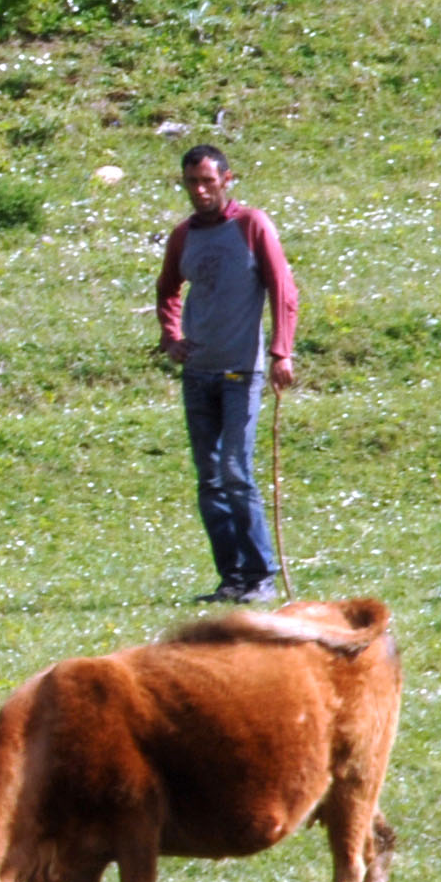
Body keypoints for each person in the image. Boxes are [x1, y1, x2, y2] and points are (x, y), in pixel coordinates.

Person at [153, 144, 299, 603]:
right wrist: (172, 337)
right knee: (209, 478)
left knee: (237, 470)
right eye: (191, 182)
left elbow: (282, 288)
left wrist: (281, 353)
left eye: (207, 182)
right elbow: (167, 289)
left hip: (241, 371)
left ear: (227, 180)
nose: (199, 190)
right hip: (198, 372)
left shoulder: (252, 226)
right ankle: (231, 578)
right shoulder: (184, 235)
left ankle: (261, 577)